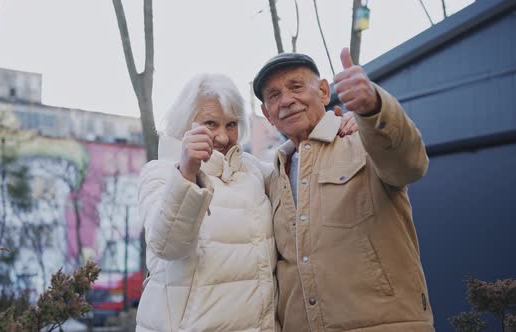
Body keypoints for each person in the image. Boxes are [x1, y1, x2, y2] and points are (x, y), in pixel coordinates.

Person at [135, 73, 356, 332]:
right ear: (185, 123)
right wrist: (187, 171)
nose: (223, 137)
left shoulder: (252, 171)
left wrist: (337, 127)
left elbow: (300, 175)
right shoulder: (161, 173)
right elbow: (167, 245)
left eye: (231, 124)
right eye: (210, 123)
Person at [253, 49, 435, 332]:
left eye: (296, 86)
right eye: (274, 95)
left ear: (324, 92)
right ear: (267, 114)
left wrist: (373, 108)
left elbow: (410, 165)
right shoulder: (270, 179)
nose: (286, 100)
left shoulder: (363, 139)